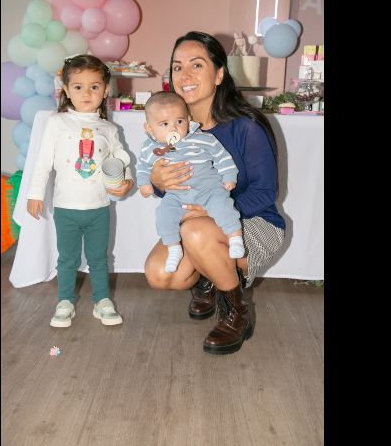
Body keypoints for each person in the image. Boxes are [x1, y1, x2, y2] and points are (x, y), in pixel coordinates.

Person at [144, 32, 286, 354]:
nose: (185, 75)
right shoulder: (172, 129)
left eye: (197, 65)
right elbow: (174, 189)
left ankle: (237, 312)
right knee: (160, 274)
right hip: (199, 224)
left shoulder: (247, 126)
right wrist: (158, 181)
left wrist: (212, 211)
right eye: (177, 67)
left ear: (219, 74)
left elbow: (265, 193)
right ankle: (209, 275)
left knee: (195, 231)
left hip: (254, 221)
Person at [26, 54, 134, 328]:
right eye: (78, 86)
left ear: (105, 90)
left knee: (99, 259)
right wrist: (35, 194)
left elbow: (121, 160)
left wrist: (127, 181)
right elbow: (43, 162)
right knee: (67, 259)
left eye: (94, 86)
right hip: (66, 208)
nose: (86, 93)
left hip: (98, 208)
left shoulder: (109, 129)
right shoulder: (57, 122)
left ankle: (102, 300)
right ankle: (65, 301)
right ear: (66, 90)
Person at [137, 91, 245, 274]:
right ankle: (174, 248)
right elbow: (143, 166)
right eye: (164, 124)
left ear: (188, 119)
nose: (173, 128)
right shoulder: (150, 148)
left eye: (179, 121)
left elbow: (222, 157)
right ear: (149, 128)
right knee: (163, 215)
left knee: (222, 205)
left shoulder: (203, 139)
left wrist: (229, 176)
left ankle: (235, 237)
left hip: (208, 188)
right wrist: (144, 183)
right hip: (177, 196)